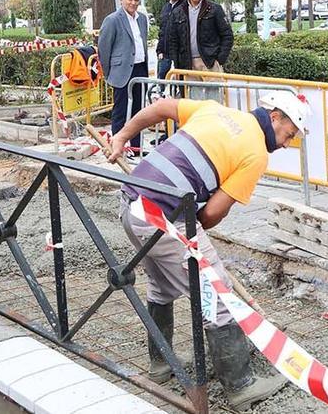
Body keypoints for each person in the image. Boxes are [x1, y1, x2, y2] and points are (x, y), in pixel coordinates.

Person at [108, 91, 308, 410]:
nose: (287, 143)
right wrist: (195, 232)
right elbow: (214, 212)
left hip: (131, 206)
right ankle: (241, 385)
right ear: (275, 117)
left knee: (161, 287)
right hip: (164, 217)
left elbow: (160, 108)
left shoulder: (214, 110)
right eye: (289, 135)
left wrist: (121, 136)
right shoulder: (256, 153)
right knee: (218, 295)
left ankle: (161, 363)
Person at [98, 0, 150, 137]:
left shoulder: (142, 19)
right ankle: (117, 145)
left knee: (139, 111)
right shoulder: (112, 20)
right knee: (120, 111)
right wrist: (108, 73)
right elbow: (104, 48)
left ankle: (136, 146)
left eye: (136, 0)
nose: (133, 3)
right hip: (121, 72)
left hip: (140, 68)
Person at [167, 0, 234, 77]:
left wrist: (219, 59)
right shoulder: (177, 12)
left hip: (210, 63)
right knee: (192, 93)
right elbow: (172, 41)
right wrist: (177, 63)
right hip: (188, 65)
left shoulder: (214, 9)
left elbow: (227, 35)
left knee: (214, 93)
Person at [155, 0, 185, 80]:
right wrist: (159, 51)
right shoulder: (165, 8)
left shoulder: (187, 7)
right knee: (161, 89)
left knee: (181, 91)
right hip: (164, 56)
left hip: (181, 58)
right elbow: (162, 31)